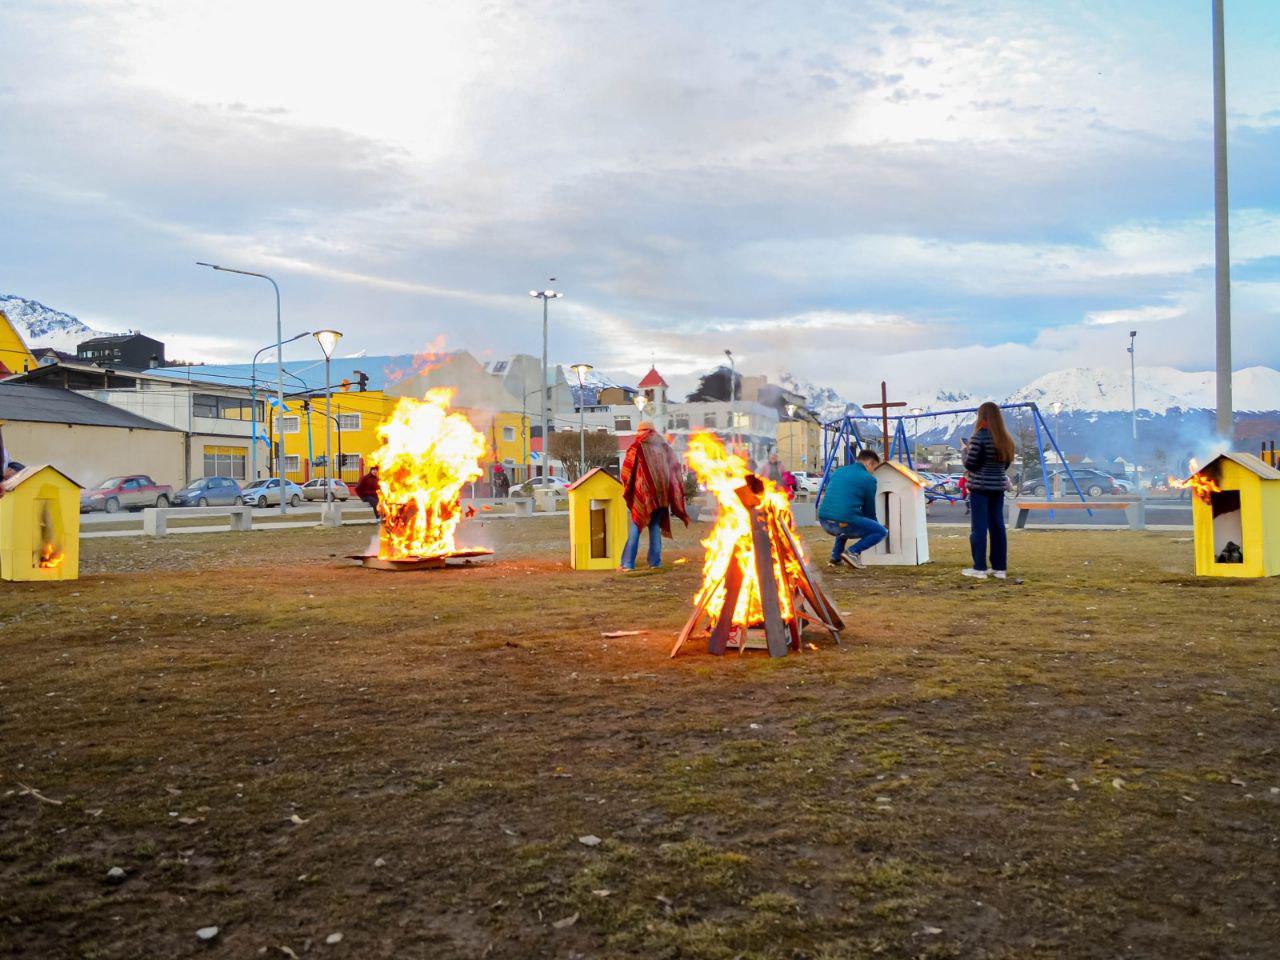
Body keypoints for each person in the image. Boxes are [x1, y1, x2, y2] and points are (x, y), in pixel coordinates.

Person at [619, 422, 689, 571]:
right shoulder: (664, 447)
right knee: (655, 526)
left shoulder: (637, 446)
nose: (638, 434)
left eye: (639, 431)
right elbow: (675, 469)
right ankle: (655, 563)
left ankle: (627, 564)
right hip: (661, 495)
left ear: (643, 431)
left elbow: (626, 470)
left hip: (643, 495)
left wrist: (629, 487)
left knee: (636, 525)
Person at [962, 401, 1016, 579]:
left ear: (981, 416)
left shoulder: (979, 437)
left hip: (979, 488)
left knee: (979, 528)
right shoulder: (1005, 439)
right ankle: (999, 568)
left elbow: (970, 464)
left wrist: (965, 451)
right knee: (997, 526)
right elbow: (1006, 464)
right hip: (997, 488)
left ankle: (979, 568)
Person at [816, 448, 887, 569]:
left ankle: (836, 557)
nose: (873, 472)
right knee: (881, 531)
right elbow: (869, 507)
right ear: (869, 463)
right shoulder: (868, 479)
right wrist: (873, 524)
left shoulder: (839, 471)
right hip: (842, 522)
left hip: (823, 520)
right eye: (874, 468)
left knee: (846, 522)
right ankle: (852, 552)